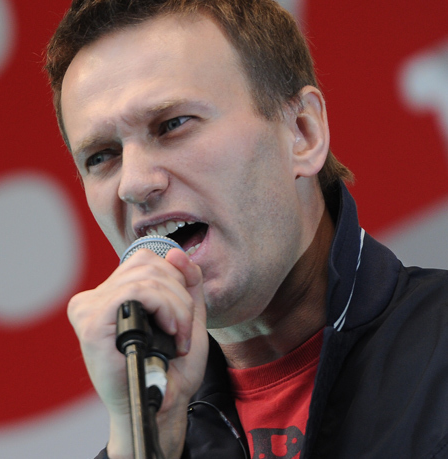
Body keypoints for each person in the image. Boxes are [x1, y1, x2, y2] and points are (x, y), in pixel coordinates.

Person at [44, 1, 448, 458]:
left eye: (172, 124)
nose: (134, 183)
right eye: (101, 156)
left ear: (303, 132)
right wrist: (143, 440)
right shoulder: (149, 439)